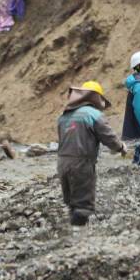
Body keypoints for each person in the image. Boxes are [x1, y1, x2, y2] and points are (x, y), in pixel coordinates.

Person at [57, 81, 126, 226]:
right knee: (83, 205)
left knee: (71, 202)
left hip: (62, 162)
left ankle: (71, 233)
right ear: (95, 98)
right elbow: (108, 136)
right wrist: (120, 147)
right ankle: (78, 239)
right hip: (82, 163)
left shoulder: (64, 115)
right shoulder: (94, 114)